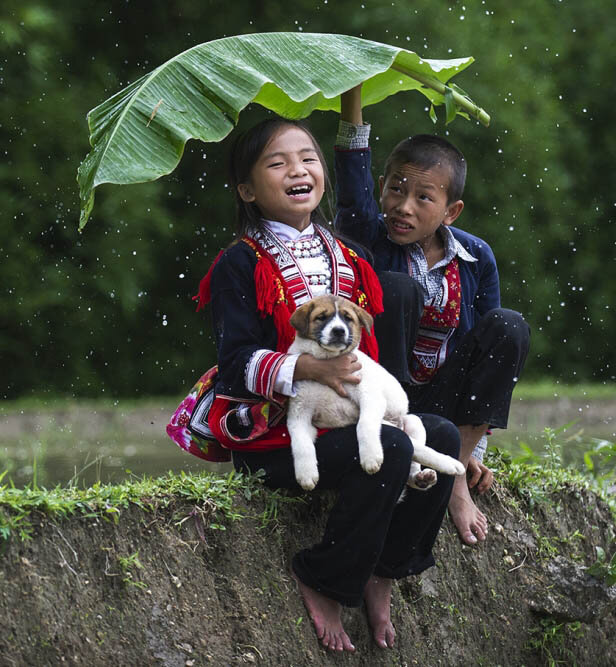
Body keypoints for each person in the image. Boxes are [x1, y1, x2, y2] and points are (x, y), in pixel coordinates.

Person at [191, 116, 462, 652]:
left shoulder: (349, 257)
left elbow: (370, 362)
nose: (299, 169)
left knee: (442, 435)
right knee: (388, 444)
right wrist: (307, 370)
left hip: (345, 417)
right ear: (247, 189)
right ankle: (323, 576)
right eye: (278, 162)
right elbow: (235, 362)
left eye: (308, 158)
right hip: (277, 435)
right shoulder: (239, 263)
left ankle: (384, 572)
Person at [333, 85, 531, 547]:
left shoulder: (477, 256)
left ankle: (456, 474)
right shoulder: (367, 234)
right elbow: (351, 169)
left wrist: (475, 448)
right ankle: (402, 447)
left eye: (424, 198)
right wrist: (352, 92)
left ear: (451, 211)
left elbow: (489, 355)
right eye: (396, 189)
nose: (403, 206)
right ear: (381, 189)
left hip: (443, 399)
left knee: (509, 326)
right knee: (395, 288)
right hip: (386, 399)